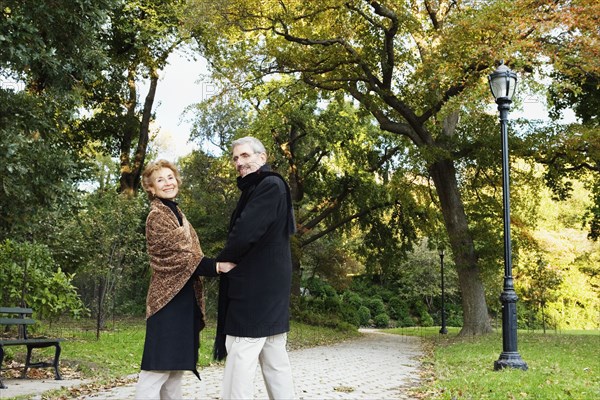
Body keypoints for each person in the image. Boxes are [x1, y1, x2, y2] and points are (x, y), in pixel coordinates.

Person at [135, 159, 235, 400]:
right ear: (151, 188)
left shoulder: (177, 213)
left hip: (184, 298)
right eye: (160, 180)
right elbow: (178, 258)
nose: (168, 183)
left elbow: (190, 255)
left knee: (175, 371)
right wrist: (217, 266)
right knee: (156, 370)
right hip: (166, 301)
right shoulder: (156, 217)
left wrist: (213, 265)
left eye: (170, 177)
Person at [214, 136, 296, 399]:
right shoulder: (263, 186)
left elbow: (245, 233)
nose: (240, 162)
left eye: (245, 156)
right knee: (275, 361)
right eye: (235, 158)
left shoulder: (269, 185)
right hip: (269, 288)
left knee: (240, 356)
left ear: (262, 158)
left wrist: (221, 262)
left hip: (255, 290)